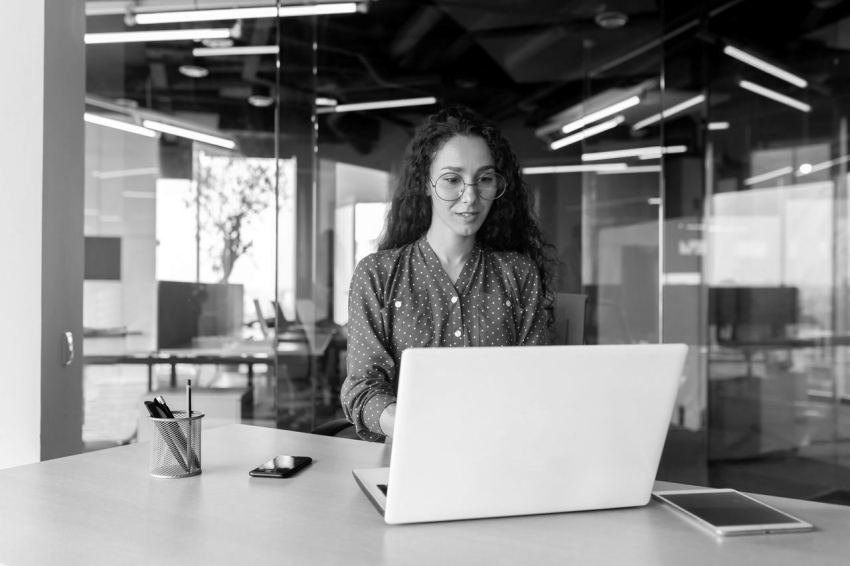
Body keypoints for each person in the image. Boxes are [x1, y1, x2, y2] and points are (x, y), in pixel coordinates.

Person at [341, 105, 555, 442]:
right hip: (407, 458)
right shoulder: (378, 274)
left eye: (484, 179)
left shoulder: (519, 274)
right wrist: (420, 427)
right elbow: (362, 388)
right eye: (452, 179)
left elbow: (537, 383)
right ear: (425, 184)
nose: (470, 197)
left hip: (499, 454)